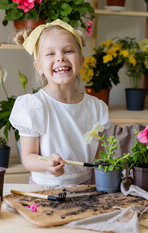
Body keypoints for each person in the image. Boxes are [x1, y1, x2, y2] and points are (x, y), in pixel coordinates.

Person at [9, 19, 111, 185]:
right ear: (39, 67)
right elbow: (28, 157)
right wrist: (46, 164)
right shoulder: (35, 106)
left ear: (81, 61)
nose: (60, 58)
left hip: (85, 188)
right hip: (44, 189)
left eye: (68, 51)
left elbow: (99, 156)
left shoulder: (96, 107)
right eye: (50, 54)